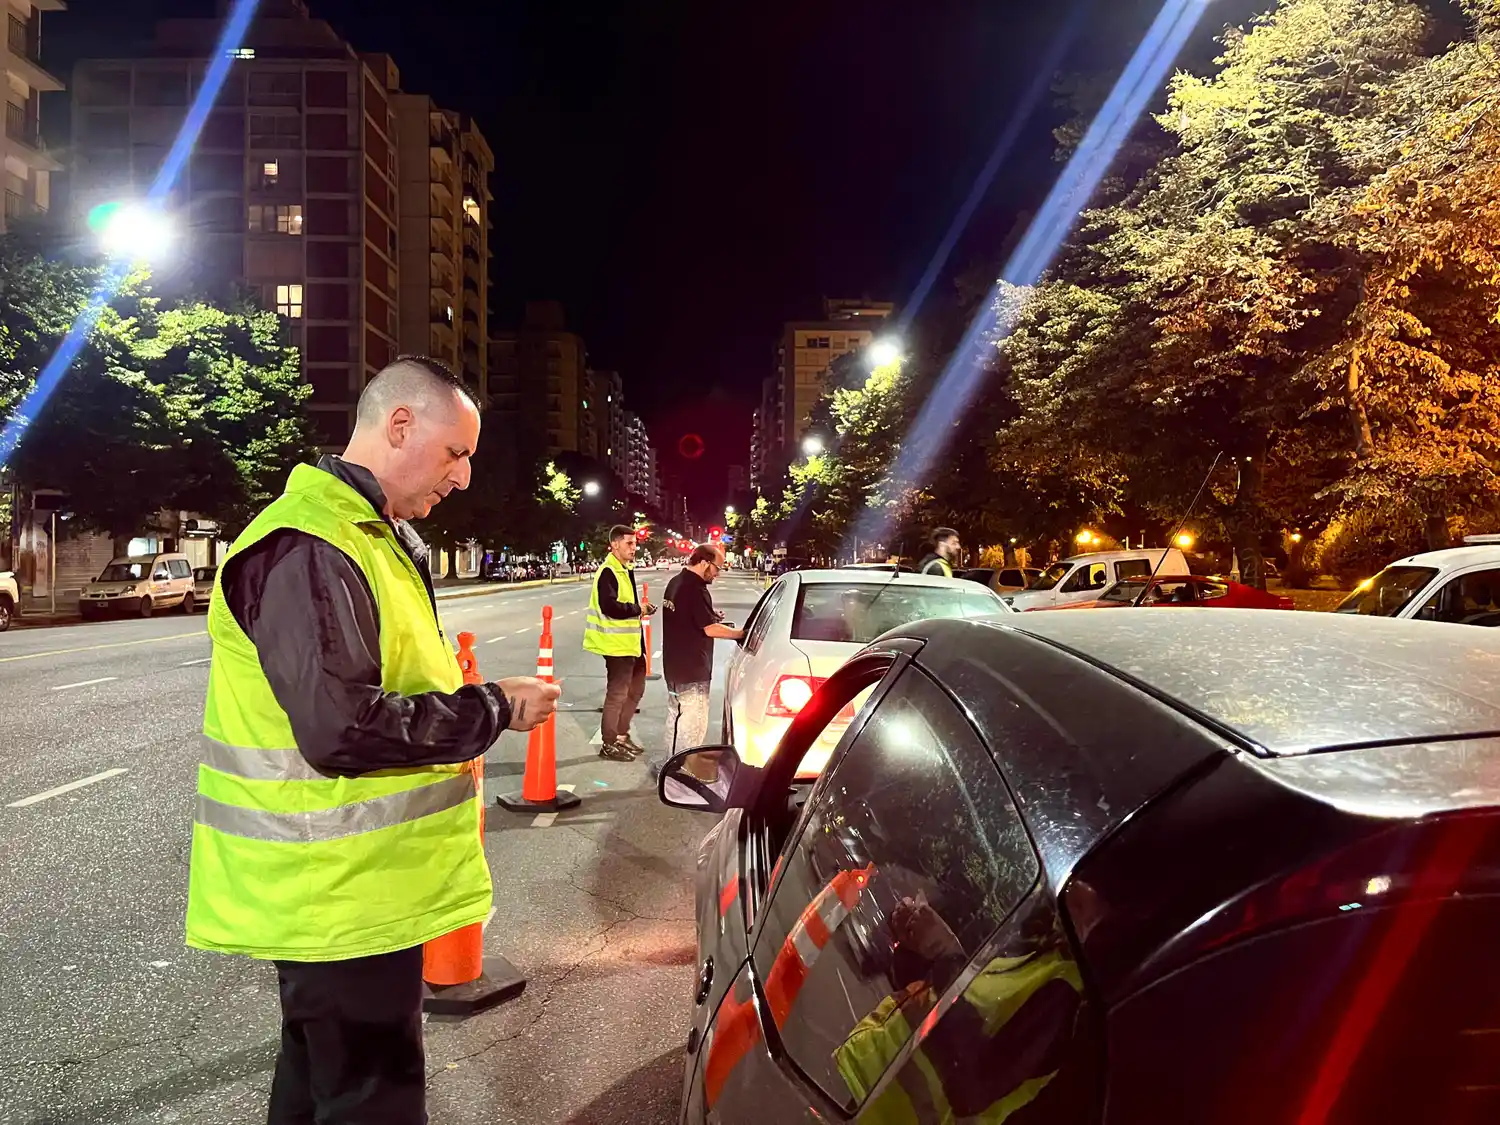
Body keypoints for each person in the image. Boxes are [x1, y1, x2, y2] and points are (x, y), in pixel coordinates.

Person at [184, 356, 561, 1125]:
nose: (463, 477)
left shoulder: (366, 536)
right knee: (368, 1102)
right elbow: (343, 727)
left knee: (317, 1092)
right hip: (336, 898)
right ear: (399, 424)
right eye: (455, 453)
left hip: (352, 895)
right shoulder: (312, 544)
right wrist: (491, 706)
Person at [652, 544, 743, 777]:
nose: (717, 573)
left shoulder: (676, 583)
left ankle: (669, 766)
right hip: (693, 667)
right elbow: (710, 629)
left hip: (674, 665)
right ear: (704, 563)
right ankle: (683, 772)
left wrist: (712, 616)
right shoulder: (696, 588)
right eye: (717, 568)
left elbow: (688, 617)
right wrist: (741, 634)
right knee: (693, 722)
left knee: (675, 715)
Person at [585, 524, 656, 761]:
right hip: (616, 646)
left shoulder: (625, 569)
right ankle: (609, 743)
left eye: (635, 544)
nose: (634, 548)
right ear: (615, 544)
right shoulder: (609, 571)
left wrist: (641, 610)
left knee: (636, 691)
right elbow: (610, 606)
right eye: (629, 543)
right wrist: (639, 609)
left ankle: (622, 736)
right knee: (617, 695)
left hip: (632, 645)